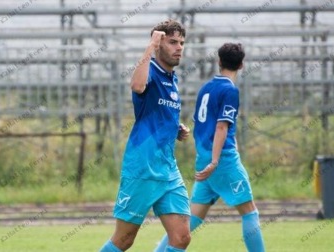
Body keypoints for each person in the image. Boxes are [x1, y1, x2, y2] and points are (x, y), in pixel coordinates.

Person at [155, 43, 266, 252]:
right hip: (221, 159)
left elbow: (201, 125)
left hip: (204, 157)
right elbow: (221, 127)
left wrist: (206, 157)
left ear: (219, 62)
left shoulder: (206, 88)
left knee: (192, 220)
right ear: (242, 65)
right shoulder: (230, 90)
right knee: (250, 212)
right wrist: (216, 161)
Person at [100, 19, 192, 252]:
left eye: (181, 42)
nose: (179, 47)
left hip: (167, 169)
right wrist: (150, 47)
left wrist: (176, 127)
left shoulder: (172, 79)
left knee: (181, 237)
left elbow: (157, 112)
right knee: (124, 240)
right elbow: (137, 86)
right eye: (172, 42)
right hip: (142, 168)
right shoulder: (150, 70)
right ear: (159, 44)